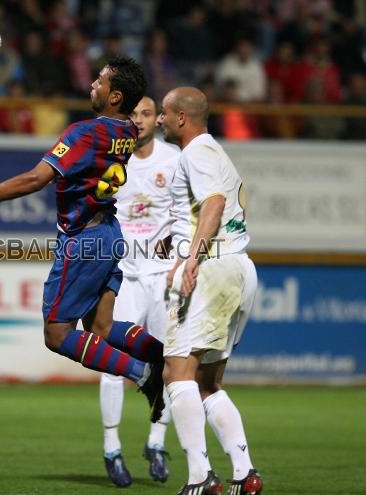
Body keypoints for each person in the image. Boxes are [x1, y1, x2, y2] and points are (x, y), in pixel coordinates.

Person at [0, 56, 165, 422]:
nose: (92, 84)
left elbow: (36, 179)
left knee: (56, 334)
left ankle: (146, 376)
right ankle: (169, 360)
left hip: (84, 239)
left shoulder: (84, 133)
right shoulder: (127, 131)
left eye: (100, 81)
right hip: (110, 233)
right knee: (103, 328)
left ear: (115, 97)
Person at [156, 87, 263, 495]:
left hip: (213, 269)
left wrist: (192, 259)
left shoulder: (195, 152)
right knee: (205, 383)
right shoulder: (216, 151)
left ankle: (200, 478)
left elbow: (214, 203)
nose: (162, 121)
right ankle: (244, 474)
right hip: (239, 267)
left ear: (181, 117)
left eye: (165, 114)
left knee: (176, 371)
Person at [100, 96, 180, 487]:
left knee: (170, 365)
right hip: (124, 279)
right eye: (132, 114)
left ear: (158, 118)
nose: (139, 120)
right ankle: (112, 447)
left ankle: (156, 441)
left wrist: (183, 256)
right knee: (111, 363)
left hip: (164, 279)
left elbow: (190, 216)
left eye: (146, 113)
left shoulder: (174, 160)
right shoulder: (111, 160)